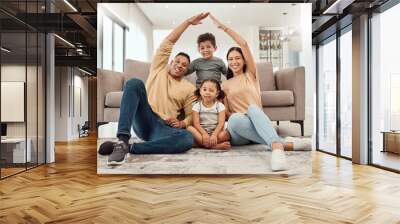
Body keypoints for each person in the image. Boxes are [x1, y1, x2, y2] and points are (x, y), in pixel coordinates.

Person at [99, 13, 210, 165]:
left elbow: (192, 115)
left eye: (184, 65)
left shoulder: (189, 88)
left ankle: (128, 147)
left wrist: (182, 123)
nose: (180, 65)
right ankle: (123, 139)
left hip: (162, 128)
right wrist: (188, 22)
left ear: (187, 70)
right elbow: (169, 41)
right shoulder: (159, 68)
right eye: (177, 61)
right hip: (145, 118)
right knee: (134, 83)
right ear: (171, 62)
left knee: (186, 139)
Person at [209, 14, 288, 171]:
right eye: (230, 59)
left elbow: (244, 44)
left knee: (253, 109)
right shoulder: (224, 85)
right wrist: (234, 117)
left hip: (258, 123)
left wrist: (223, 27)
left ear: (244, 60)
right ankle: (281, 143)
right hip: (239, 129)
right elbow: (227, 112)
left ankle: (277, 148)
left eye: (237, 58)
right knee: (236, 118)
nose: (234, 62)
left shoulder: (251, 75)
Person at [187, 79, 231, 150]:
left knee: (227, 134)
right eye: (204, 90)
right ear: (200, 91)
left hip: (216, 132)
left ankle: (202, 144)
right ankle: (215, 146)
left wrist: (214, 134)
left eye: (211, 90)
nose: (207, 92)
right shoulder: (197, 106)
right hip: (201, 132)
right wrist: (204, 134)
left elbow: (221, 123)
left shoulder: (220, 106)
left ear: (217, 93)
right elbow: (196, 123)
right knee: (189, 128)